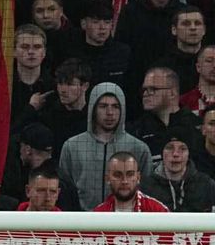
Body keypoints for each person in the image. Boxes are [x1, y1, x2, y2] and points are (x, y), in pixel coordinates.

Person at [58, 82, 152, 211]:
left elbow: (147, 191)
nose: (110, 112)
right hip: (82, 219)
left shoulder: (139, 148)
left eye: (115, 106)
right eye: (103, 106)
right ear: (93, 109)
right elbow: (64, 191)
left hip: (126, 219)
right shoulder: (72, 146)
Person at [139, 128, 215, 212]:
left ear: (189, 153)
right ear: (162, 153)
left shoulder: (207, 185)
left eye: (182, 149)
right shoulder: (145, 188)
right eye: (170, 148)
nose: (175, 154)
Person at [92, 152, 171, 212]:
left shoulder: (157, 210)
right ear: (107, 179)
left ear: (138, 177)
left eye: (130, 175)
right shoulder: (98, 214)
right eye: (118, 175)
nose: (124, 181)